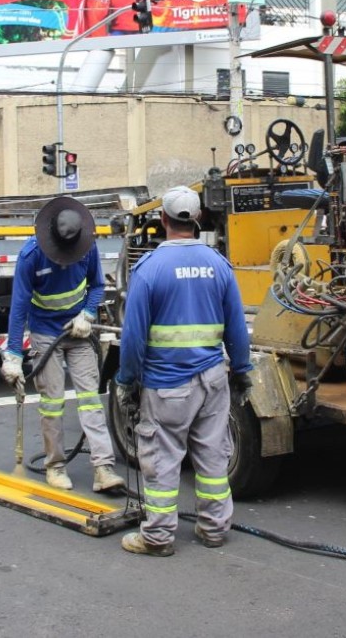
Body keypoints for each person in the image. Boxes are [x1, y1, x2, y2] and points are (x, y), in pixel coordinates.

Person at [114, 186, 253, 557]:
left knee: (161, 458)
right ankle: (214, 528)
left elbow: (132, 338)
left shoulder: (148, 270)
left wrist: (126, 381)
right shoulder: (218, 265)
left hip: (166, 386)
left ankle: (158, 537)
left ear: (163, 220)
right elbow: (237, 328)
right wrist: (242, 371)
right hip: (212, 382)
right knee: (212, 456)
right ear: (198, 219)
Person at [0, 197, 125, 493]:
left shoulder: (86, 247)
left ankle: (103, 468)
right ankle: (55, 466)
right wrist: (13, 355)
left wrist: (88, 313)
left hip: (78, 332)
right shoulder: (31, 256)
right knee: (53, 404)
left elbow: (96, 286)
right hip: (45, 333)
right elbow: (18, 308)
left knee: (91, 401)